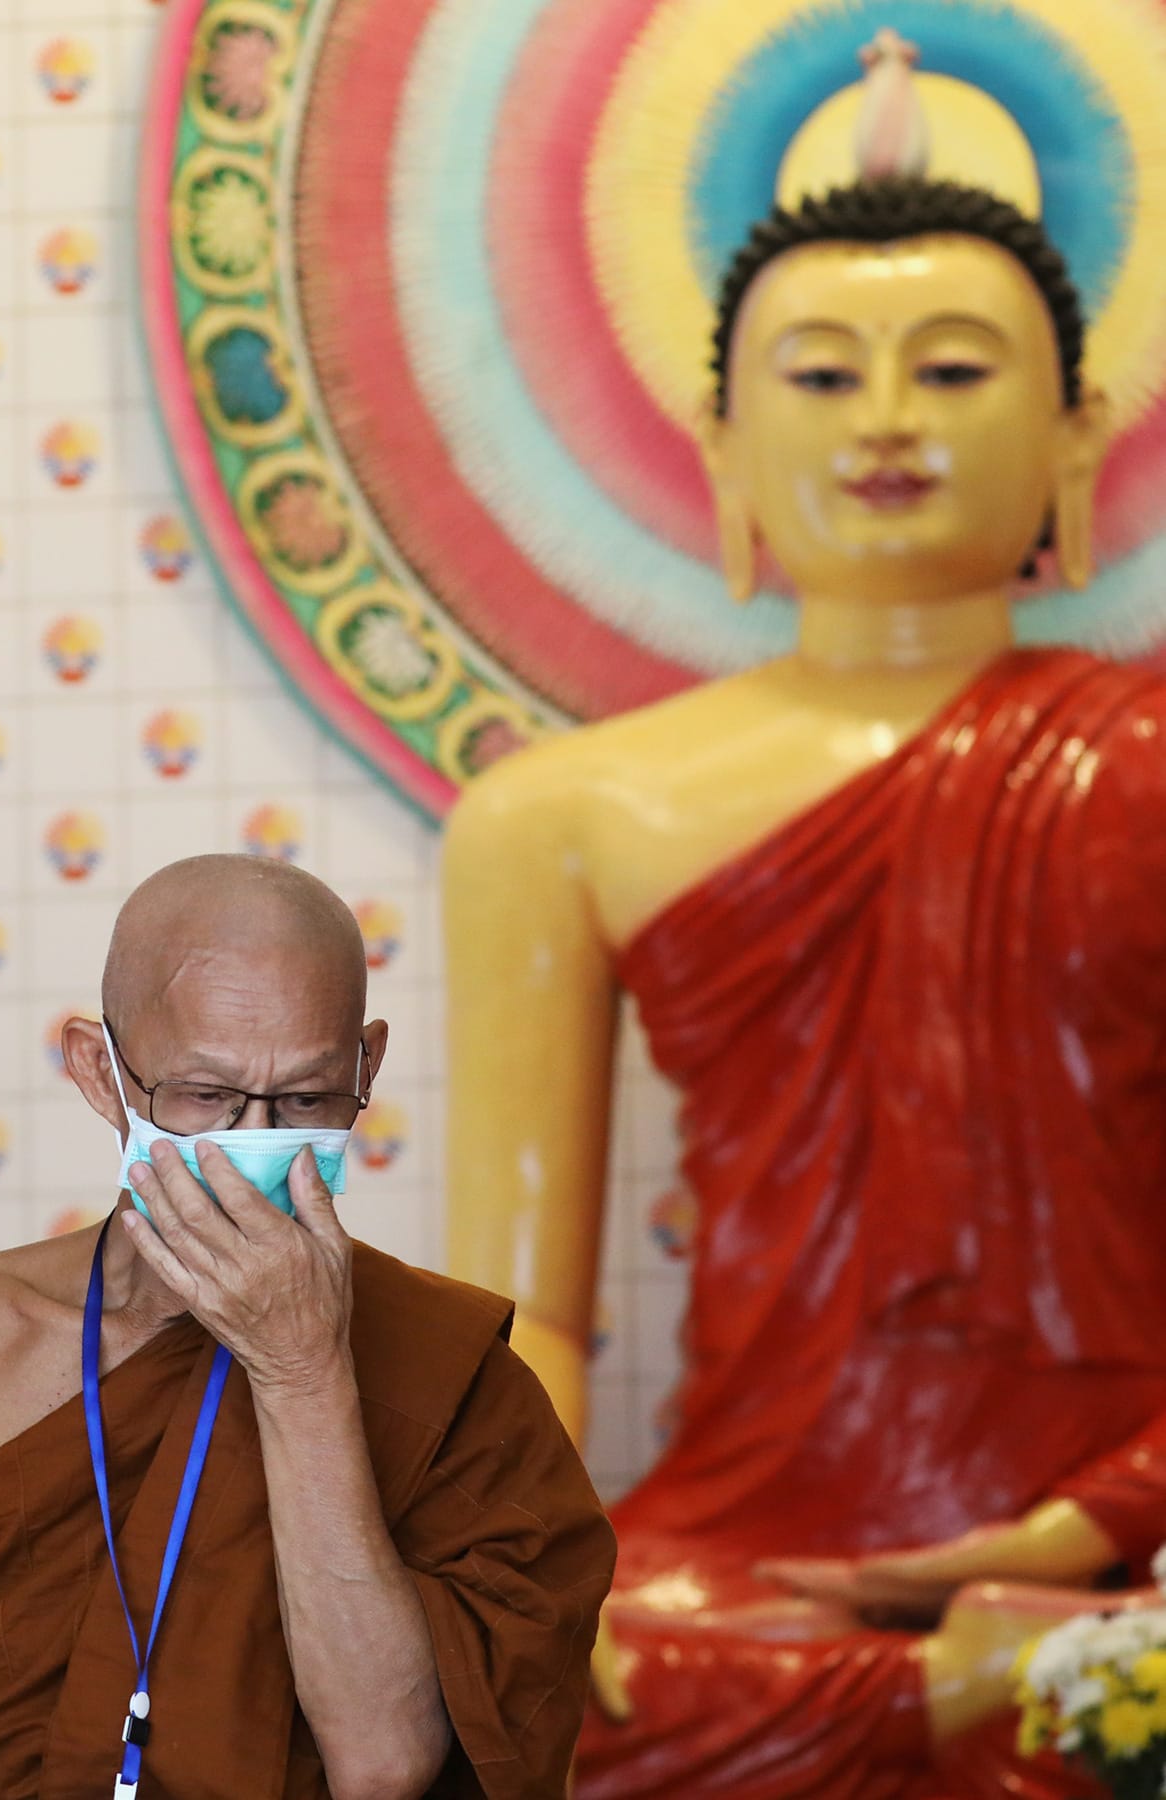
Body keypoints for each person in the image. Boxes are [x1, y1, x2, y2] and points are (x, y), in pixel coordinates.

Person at [442, 73, 1166, 1800]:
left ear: (1077, 436)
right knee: (526, 1700)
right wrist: (522, 1558)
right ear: (723, 448)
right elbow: (518, 1315)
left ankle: (1038, 1678)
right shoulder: (564, 817)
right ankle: (978, 1700)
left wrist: (1089, 1530)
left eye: (957, 369)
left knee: (1128, 1678)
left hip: (1123, 1532)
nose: (886, 418)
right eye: (824, 374)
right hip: (751, 1556)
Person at [0, 855, 615, 1800]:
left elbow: (387, 1765)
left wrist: (303, 1373)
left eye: (308, 1100)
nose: (256, 1140)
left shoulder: (455, 1378)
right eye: (204, 1096)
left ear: (368, 1066)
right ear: (100, 1073)